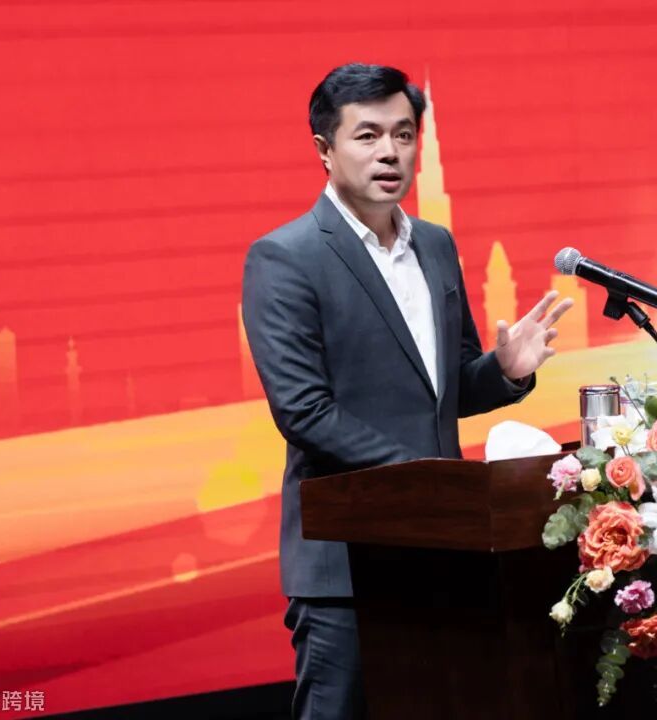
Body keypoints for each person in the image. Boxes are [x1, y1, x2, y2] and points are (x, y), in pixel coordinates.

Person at [241, 63, 573, 720]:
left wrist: (503, 371)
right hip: (346, 560)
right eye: (367, 136)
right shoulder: (285, 257)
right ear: (324, 148)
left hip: (447, 548)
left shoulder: (436, 246)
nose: (390, 152)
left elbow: (445, 389)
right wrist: (428, 481)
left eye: (403, 134)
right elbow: (304, 412)